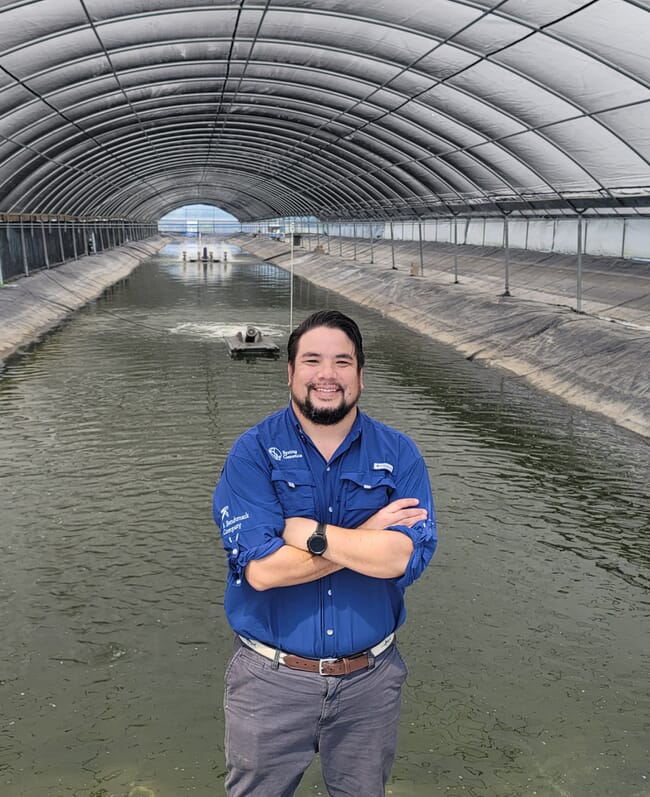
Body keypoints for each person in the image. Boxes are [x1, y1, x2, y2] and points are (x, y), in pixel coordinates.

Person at [213, 309, 437, 797]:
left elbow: (400, 559)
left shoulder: (400, 454)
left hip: (370, 684)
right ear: (290, 372)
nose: (327, 375)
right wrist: (368, 532)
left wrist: (310, 533)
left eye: (342, 361)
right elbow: (264, 571)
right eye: (312, 360)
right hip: (269, 681)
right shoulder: (252, 453)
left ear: (360, 374)